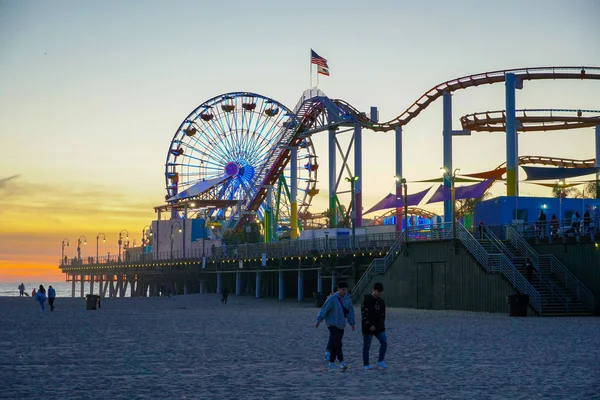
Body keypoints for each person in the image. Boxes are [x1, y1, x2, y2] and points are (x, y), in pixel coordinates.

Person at [315, 281, 355, 370]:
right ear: (338, 289)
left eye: (346, 290)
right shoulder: (332, 299)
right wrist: (318, 320)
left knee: (335, 344)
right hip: (332, 324)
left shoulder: (348, 300)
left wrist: (352, 323)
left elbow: (350, 312)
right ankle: (342, 362)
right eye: (343, 290)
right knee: (338, 343)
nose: (345, 292)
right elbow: (324, 309)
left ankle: (331, 363)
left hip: (341, 325)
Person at [361, 282, 388, 370]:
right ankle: (366, 364)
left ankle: (381, 360)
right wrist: (369, 325)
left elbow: (383, 315)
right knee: (367, 346)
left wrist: (382, 327)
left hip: (379, 328)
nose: (379, 293)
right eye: (378, 291)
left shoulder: (381, 302)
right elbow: (364, 314)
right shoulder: (367, 300)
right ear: (373, 290)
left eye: (380, 291)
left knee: (384, 341)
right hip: (368, 328)